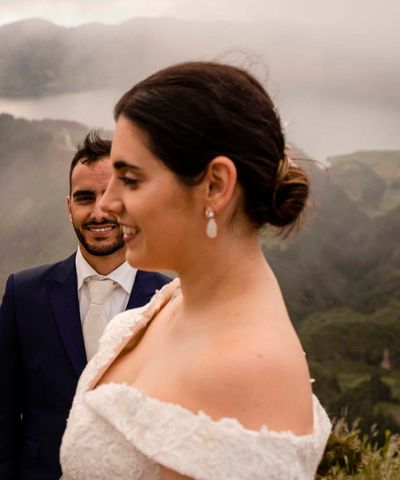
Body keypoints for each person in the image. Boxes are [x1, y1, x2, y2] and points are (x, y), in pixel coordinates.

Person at [60, 62, 332, 480]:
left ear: (215, 185)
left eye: (130, 179)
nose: (109, 204)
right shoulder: (176, 297)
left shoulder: (247, 372)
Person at [0, 131, 171, 480]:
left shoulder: (169, 302)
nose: (99, 211)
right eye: (85, 198)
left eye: (112, 196)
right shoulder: (23, 294)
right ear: (70, 208)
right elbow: (0, 421)